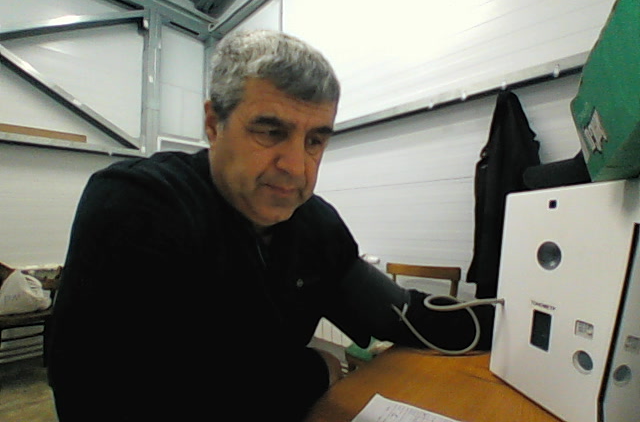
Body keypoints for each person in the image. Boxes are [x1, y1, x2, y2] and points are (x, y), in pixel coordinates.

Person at [47, 30, 482, 422]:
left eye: (315, 141)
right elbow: (115, 399)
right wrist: (319, 369)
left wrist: (516, 327)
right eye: (271, 132)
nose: (296, 166)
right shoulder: (137, 203)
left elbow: (403, 315)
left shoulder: (315, 224)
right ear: (213, 123)